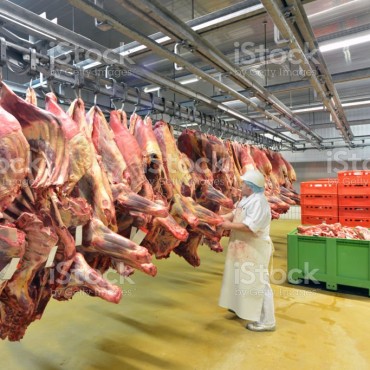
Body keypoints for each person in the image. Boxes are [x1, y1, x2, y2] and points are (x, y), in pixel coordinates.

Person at [218, 169, 276, 332]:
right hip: (242, 246)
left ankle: (267, 321)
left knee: (258, 283)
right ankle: (240, 308)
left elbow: (250, 227)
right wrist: (217, 219)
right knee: (239, 279)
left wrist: (227, 226)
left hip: (254, 248)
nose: (240, 186)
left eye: (243, 183)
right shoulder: (246, 199)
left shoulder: (259, 202)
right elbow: (234, 213)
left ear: (250, 187)